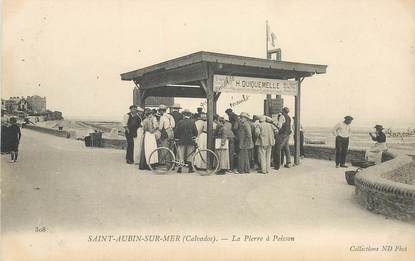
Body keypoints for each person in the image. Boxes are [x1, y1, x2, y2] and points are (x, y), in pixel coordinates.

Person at [174, 109, 198, 173]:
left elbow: (176, 132)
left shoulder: (180, 122)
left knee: (180, 154)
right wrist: (194, 136)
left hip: (181, 140)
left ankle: (180, 169)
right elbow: (196, 132)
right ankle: (190, 169)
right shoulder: (192, 122)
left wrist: (177, 137)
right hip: (190, 140)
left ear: (183, 115)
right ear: (189, 115)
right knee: (190, 154)